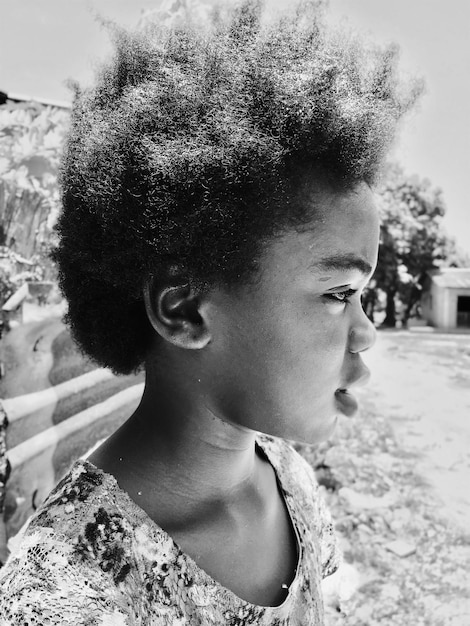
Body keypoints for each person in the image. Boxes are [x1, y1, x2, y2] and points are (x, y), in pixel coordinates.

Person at [0, 1, 420, 623]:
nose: (366, 333)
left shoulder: (284, 475)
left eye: (361, 297)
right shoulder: (69, 598)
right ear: (186, 310)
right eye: (337, 293)